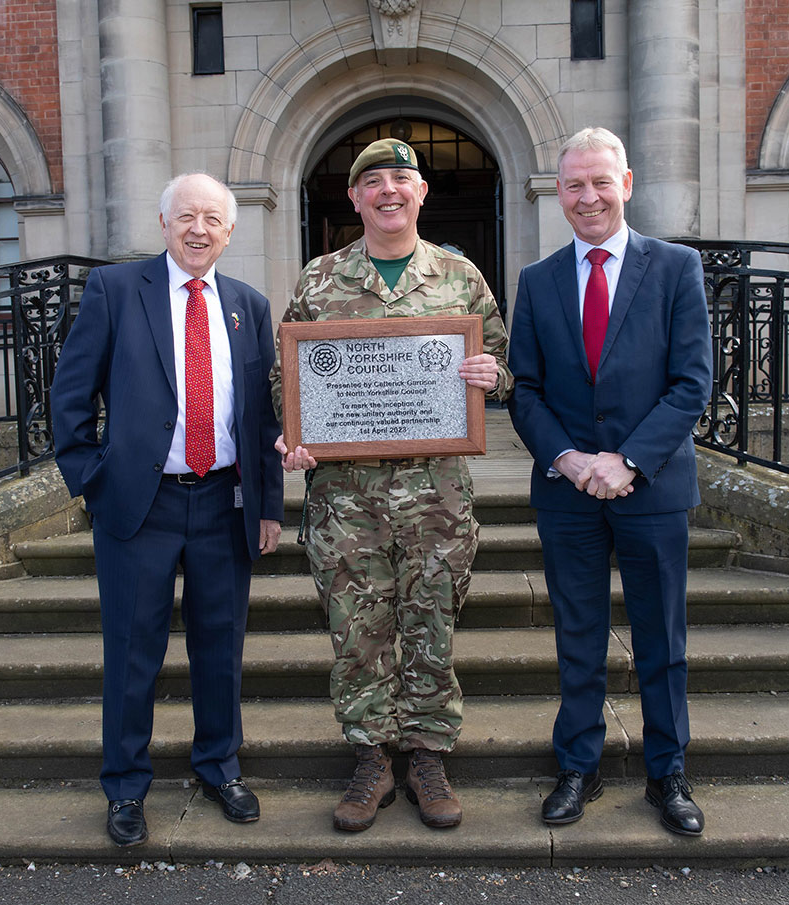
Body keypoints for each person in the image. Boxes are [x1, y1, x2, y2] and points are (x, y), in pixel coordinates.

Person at [272, 138, 512, 832]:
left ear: (421, 192)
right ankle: (372, 757)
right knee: (358, 632)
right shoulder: (320, 280)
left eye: (401, 178)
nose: (387, 191)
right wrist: (288, 431)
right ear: (354, 198)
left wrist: (492, 377)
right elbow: (283, 381)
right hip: (346, 502)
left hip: (436, 499)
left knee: (431, 624)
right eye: (372, 181)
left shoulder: (459, 277)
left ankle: (429, 755)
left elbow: (507, 363)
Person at [51, 173, 284, 847]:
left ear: (230, 231)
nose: (199, 229)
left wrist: (266, 503)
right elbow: (70, 397)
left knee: (222, 647)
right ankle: (125, 784)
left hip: (223, 501)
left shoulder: (249, 304)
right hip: (139, 506)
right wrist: (93, 479)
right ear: (163, 222)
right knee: (132, 652)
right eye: (186, 216)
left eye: (213, 219)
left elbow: (260, 413)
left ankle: (219, 765)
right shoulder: (116, 291)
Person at [507, 128, 712, 836]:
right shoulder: (537, 282)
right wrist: (567, 459)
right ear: (557, 192)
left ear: (626, 184)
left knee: (662, 637)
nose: (587, 197)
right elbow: (524, 391)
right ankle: (577, 764)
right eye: (573, 185)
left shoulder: (677, 267)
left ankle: (668, 771)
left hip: (651, 488)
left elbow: (692, 385)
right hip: (566, 493)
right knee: (578, 633)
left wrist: (626, 460)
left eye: (600, 182)